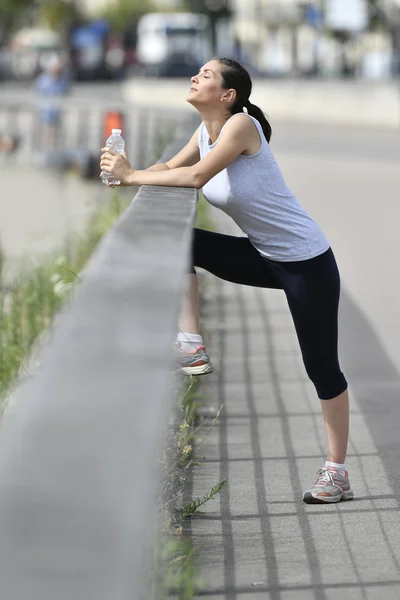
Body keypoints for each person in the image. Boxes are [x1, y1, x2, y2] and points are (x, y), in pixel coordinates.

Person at [100, 57, 353, 505]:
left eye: (207, 75)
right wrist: (126, 173)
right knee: (182, 240)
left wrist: (131, 176)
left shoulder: (241, 126)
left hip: (306, 262)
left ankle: (336, 472)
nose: (195, 77)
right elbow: (168, 169)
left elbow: (196, 178)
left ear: (227, 95)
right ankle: (191, 342)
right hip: (262, 254)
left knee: (321, 367)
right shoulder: (205, 131)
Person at [35, 54, 70, 148]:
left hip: (57, 113)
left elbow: (65, 93)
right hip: (46, 113)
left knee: (56, 137)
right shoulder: (43, 80)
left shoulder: (63, 79)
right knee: (47, 136)